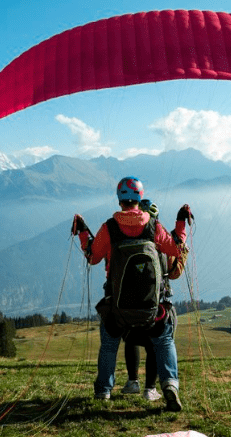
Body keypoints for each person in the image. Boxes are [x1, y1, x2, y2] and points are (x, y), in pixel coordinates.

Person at [71, 176, 193, 412]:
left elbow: (93, 257)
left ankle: (104, 391)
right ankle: (170, 385)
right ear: (140, 197)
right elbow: (176, 249)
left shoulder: (110, 228)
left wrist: (83, 232)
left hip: (117, 309)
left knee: (109, 343)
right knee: (164, 339)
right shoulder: (153, 226)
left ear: (120, 200)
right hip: (152, 309)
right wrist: (180, 224)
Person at [121, 199, 188, 402]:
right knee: (155, 344)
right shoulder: (163, 243)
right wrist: (181, 223)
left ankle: (132, 381)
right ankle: (151, 389)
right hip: (156, 307)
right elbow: (175, 268)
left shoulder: (123, 242)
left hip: (127, 308)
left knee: (131, 339)